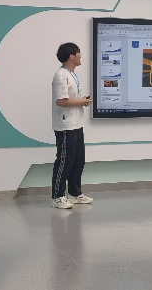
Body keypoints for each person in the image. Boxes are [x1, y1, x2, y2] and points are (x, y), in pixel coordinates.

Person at [51, 42, 93, 209]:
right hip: (65, 125)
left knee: (78, 160)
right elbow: (61, 101)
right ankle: (57, 196)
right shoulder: (61, 75)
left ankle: (74, 193)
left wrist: (82, 101)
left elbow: (71, 99)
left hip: (76, 123)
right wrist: (81, 101)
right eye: (78, 53)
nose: (80, 56)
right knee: (65, 161)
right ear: (71, 56)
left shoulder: (72, 74)